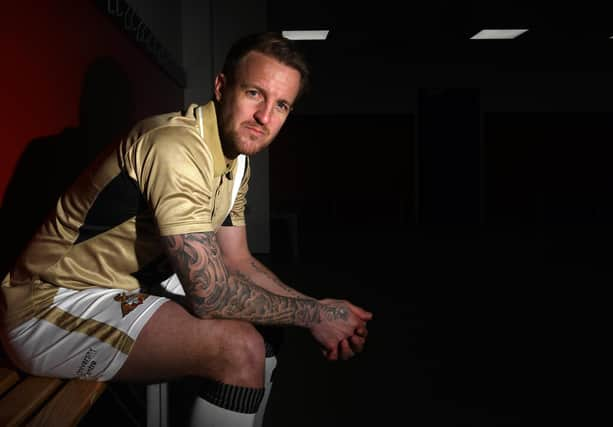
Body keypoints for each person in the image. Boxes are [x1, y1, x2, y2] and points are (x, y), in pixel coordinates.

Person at [0, 32, 372, 427]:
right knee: (239, 350)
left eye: (281, 105)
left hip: (119, 288)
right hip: (45, 307)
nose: (265, 117)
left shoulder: (238, 158)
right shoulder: (175, 147)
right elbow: (210, 296)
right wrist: (314, 315)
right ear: (221, 86)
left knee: (264, 334)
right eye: (254, 94)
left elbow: (239, 262)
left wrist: (320, 308)